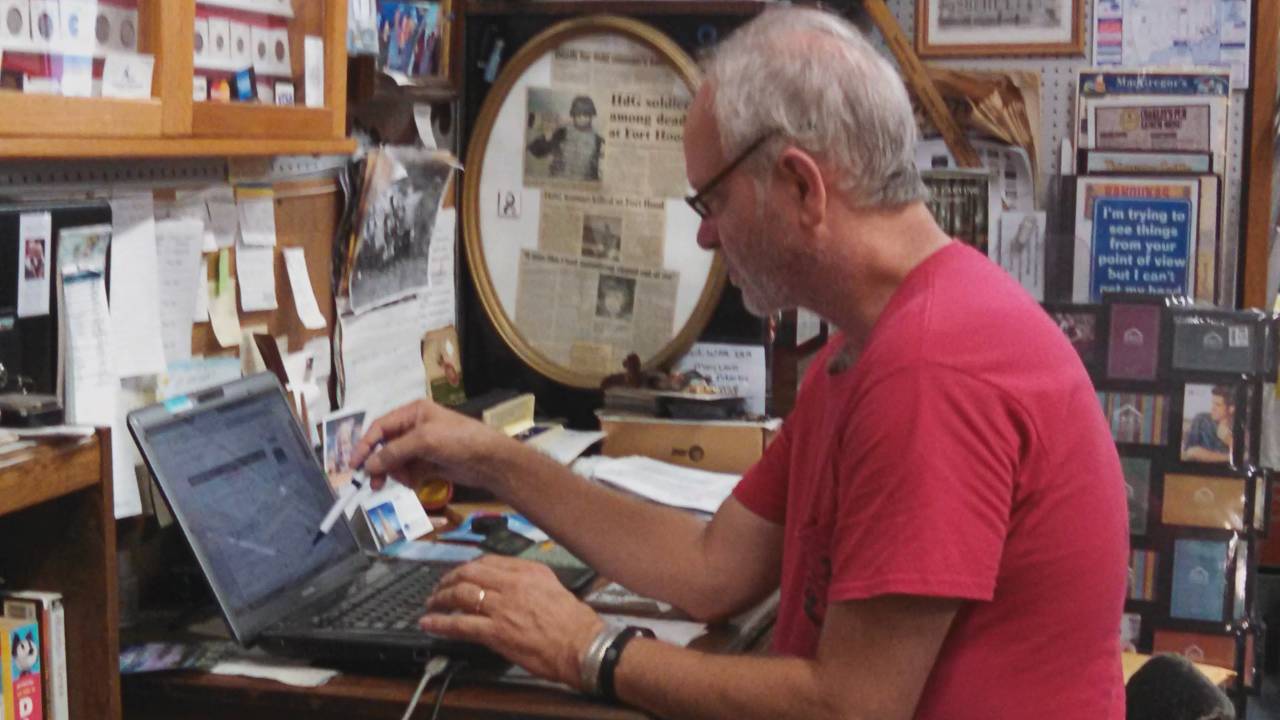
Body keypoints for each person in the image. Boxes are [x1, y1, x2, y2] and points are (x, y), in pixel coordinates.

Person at [352, 7, 1128, 718]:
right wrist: (495, 459)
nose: (707, 238)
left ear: (800, 184)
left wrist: (588, 649)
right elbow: (710, 567)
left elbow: (849, 708)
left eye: (711, 202)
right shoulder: (867, 349)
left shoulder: (932, 366)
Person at [527, 95, 605, 181]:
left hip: (584, 186)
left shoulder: (598, 140)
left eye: (586, 115)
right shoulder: (561, 133)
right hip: (559, 181)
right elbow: (537, 151)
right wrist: (547, 137)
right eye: (578, 115)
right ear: (573, 115)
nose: (582, 118)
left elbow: (599, 171)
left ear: (592, 115)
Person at [1181, 385, 1235, 463]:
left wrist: (1229, 440)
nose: (1212, 408)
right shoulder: (1201, 420)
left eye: (1218, 405)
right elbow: (1191, 452)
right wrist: (1229, 457)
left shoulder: (1239, 427)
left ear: (1231, 408)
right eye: (1212, 403)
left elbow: (1244, 457)